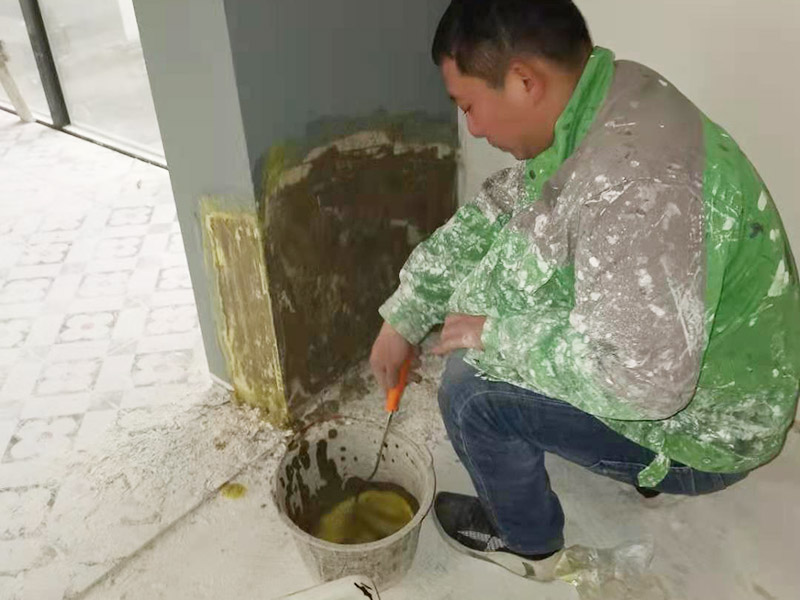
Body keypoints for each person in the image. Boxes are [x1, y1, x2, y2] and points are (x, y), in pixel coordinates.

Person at [369, 0, 800, 582]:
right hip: (704, 362)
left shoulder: (632, 186)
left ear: (523, 81)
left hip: (708, 426)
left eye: (468, 106)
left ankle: (527, 543)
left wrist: (497, 335)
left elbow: (648, 384)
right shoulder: (607, 98)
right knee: (507, 292)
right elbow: (500, 211)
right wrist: (405, 313)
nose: (472, 128)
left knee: (471, 389)